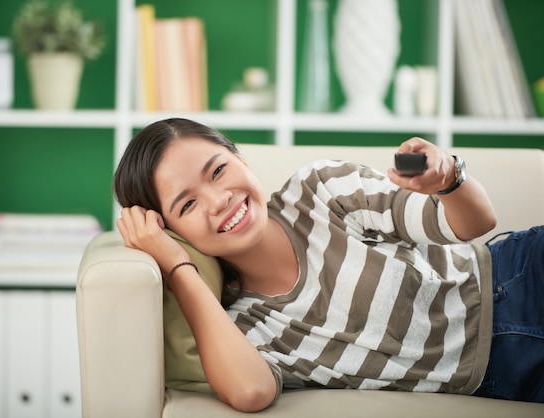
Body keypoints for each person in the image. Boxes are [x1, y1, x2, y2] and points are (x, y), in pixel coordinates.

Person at [113, 118, 544, 412]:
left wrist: (448, 179)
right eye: (187, 204)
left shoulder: (319, 190)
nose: (218, 198)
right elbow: (251, 391)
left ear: (241, 159)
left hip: (518, 280)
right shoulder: (246, 325)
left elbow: (474, 223)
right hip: (501, 376)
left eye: (219, 170)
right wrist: (176, 266)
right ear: (173, 231)